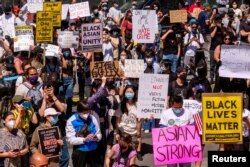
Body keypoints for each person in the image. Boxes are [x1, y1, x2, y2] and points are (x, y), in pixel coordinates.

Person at [159, 95, 194, 167]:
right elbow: (162, 127)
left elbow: (192, 126)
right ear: (171, 104)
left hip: (185, 146)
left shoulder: (188, 112)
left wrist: (184, 129)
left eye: (179, 107)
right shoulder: (165, 113)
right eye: (175, 107)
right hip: (171, 146)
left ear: (182, 104)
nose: (178, 109)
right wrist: (171, 129)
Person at [66, 100, 102, 167]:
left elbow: (99, 133)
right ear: (78, 112)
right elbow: (70, 139)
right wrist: (84, 139)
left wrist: (96, 137)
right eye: (84, 112)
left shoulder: (92, 118)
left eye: (88, 112)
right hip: (80, 150)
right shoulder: (71, 121)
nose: (86, 114)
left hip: (93, 150)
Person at [118, 85, 142, 161]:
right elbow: (117, 120)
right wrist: (117, 132)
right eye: (127, 92)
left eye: (131, 92)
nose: (129, 93)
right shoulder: (121, 104)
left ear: (134, 93)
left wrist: (138, 130)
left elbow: (139, 121)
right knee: (123, 155)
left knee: (132, 154)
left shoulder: (138, 105)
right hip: (123, 131)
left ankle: (138, 152)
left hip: (133, 131)